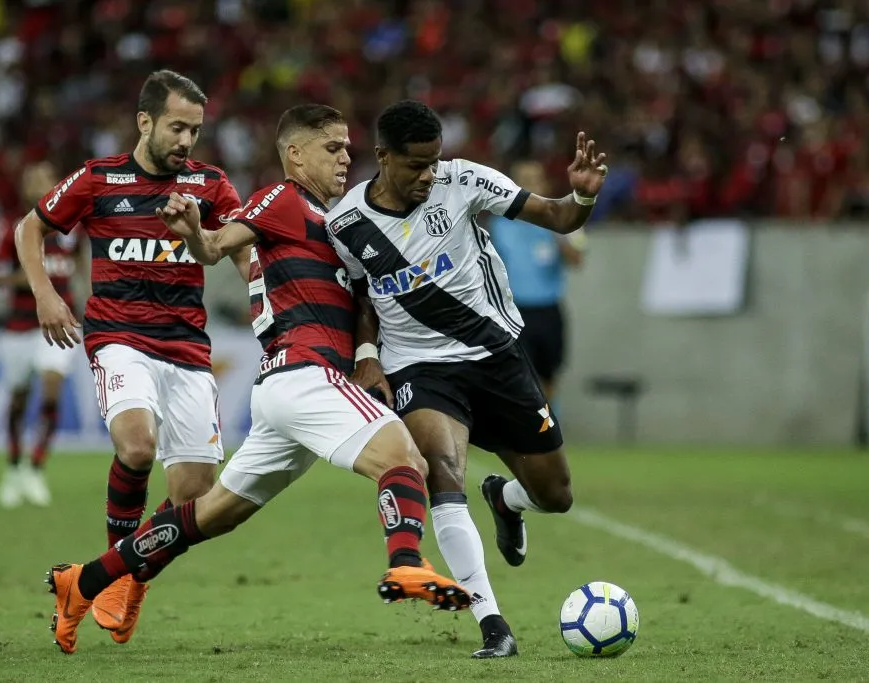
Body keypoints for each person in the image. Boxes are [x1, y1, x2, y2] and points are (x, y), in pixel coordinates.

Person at [44, 104, 470, 655]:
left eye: (347, 148)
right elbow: (219, 246)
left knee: (204, 516)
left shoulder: (333, 222)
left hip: (286, 393)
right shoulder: (283, 198)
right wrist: (196, 234)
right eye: (332, 147)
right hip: (304, 373)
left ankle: (82, 582)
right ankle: (407, 563)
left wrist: (367, 353)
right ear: (295, 154)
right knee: (404, 458)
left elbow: (361, 299)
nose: (346, 157)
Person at [325, 100, 607, 658]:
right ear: (382, 157)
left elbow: (556, 217)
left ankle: (507, 500)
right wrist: (367, 352)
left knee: (558, 495)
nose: (429, 175)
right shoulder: (345, 223)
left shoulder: (464, 180)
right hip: (420, 367)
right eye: (416, 165)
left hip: (495, 355)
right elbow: (360, 296)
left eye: (434, 162)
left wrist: (583, 195)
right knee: (442, 472)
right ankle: (493, 625)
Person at [15, 70, 249, 645]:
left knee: (194, 495)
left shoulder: (211, 185)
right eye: (176, 127)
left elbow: (239, 255)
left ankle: (126, 577)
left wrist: (267, 294)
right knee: (138, 445)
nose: (186, 141)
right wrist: (47, 294)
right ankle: (112, 572)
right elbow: (30, 229)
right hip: (119, 337)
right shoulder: (98, 178)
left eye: (194, 130)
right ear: (144, 122)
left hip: (189, 346)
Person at [0, 160, 83, 509]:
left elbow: (84, 265)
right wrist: (22, 279)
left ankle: (36, 468)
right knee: (18, 401)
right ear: (24, 188)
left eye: (44, 179)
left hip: (61, 323)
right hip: (21, 326)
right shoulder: (12, 226)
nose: (37, 185)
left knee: (52, 390)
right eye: (31, 180)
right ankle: (12, 467)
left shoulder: (73, 228)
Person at [488, 160, 586, 403]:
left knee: (549, 375)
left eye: (534, 180)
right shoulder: (499, 226)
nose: (530, 186)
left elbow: (577, 259)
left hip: (548, 310)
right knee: (519, 376)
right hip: (515, 311)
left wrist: (559, 233)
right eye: (523, 181)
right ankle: (526, 435)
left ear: (544, 183)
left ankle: (550, 431)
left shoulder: (561, 220)